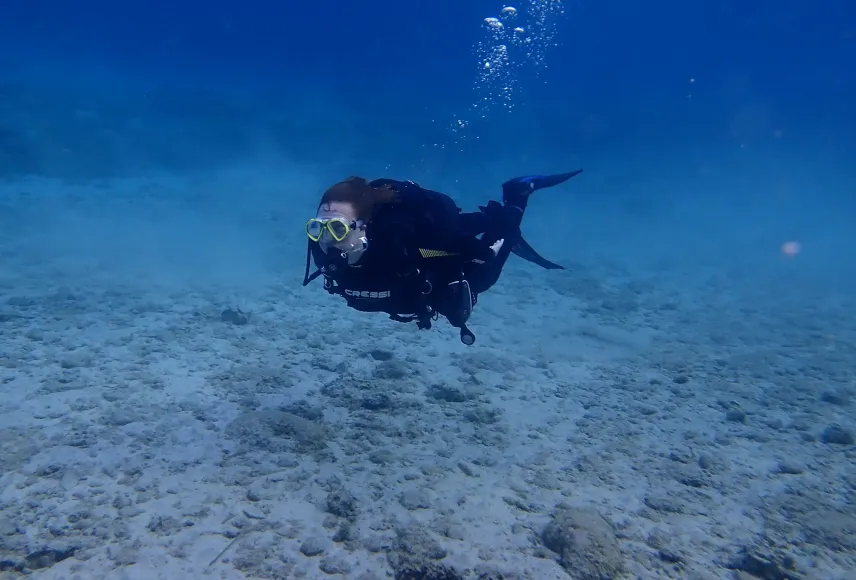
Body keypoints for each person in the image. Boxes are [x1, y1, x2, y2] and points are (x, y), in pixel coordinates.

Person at [302, 170, 583, 345]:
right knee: (464, 225)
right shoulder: (321, 248)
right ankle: (488, 218)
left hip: (431, 245)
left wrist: (477, 257)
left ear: (364, 226)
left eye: (337, 228)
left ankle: (516, 198)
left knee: (483, 271)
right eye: (318, 227)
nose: (327, 239)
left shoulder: (404, 244)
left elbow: (464, 252)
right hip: (424, 245)